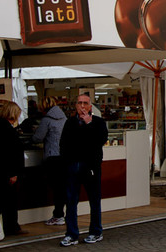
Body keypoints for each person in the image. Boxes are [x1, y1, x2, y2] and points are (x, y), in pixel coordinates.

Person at [59, 94, 108, 247]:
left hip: (90, 167)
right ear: (75, 105)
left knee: (94, 200)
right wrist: (67, 162)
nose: (82, 106)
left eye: (85, 103)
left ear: (90, 106)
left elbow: (100, 141)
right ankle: (71, 234)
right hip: (73, 166)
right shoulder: (70, 123)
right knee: (71, 201)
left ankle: (95, 231)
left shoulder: (98, 123)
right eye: (79, 103)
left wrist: (89, 124)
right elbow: (63, 144)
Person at [0, 101, 26, 236]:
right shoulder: (7, 130)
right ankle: (11, 227)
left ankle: (10, 226)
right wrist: (13, 173)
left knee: (4, 199)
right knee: (7, 200)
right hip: (7, 172)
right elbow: (9, 153)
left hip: (0, 171)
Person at [32, 96, 67, 225]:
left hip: (52, 157)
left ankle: (58, 215)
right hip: (63, 156)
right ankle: (62, 214)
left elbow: (37, 138)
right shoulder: (64, 118)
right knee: (62, 187)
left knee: (56, 187)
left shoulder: (46, 120)